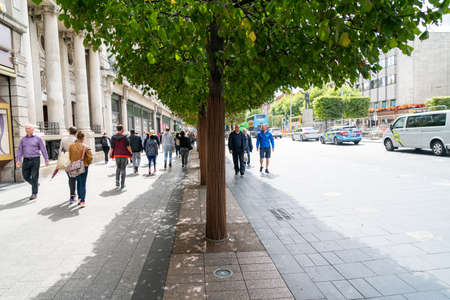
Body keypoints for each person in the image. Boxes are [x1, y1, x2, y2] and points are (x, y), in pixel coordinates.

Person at [16, 124, 49, 200]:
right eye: (26, 128)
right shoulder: (23, 139)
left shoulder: (38, 139)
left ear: (32, 129)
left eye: (29, 128)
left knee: (34, 176)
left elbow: (43, 149)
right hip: (26, 160)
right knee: (25, 176)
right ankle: (35, 184)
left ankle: (34, 193)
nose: (27, 130)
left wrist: (46, 159)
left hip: (35, 159)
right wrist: (18, 160)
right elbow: (20, 150)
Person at [68, 131, 93, 207]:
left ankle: (79, 198)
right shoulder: (86, 147)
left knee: (78, 182)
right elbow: (90, 158)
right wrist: (87, 163)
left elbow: (70, 157)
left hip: (75, 166)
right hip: (84, 166)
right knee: (83, 183)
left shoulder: (71, 146)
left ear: (77, 137)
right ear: (83, 138)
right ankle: (82, 201)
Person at [59, 126, 78, 203]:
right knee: (74, 178)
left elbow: (60, 151)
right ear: (76, 132)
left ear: (69, 131)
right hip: (75, 160)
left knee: (71, 178)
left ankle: (72, 196)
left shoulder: (63, 139)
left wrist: (60, 160)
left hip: (66, 160)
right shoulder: (76, 140)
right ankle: (73, 195)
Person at [110, 124, 132, 190]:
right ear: (122, 129)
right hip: (124, 154)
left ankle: (117, 182)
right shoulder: (125, 137)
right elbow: (128, 146)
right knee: (123, 169)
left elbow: (112, 147)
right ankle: (122, 184)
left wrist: (110, 153)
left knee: (118, 168)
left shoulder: (113, 137)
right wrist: (131, 152)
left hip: (117, 154)